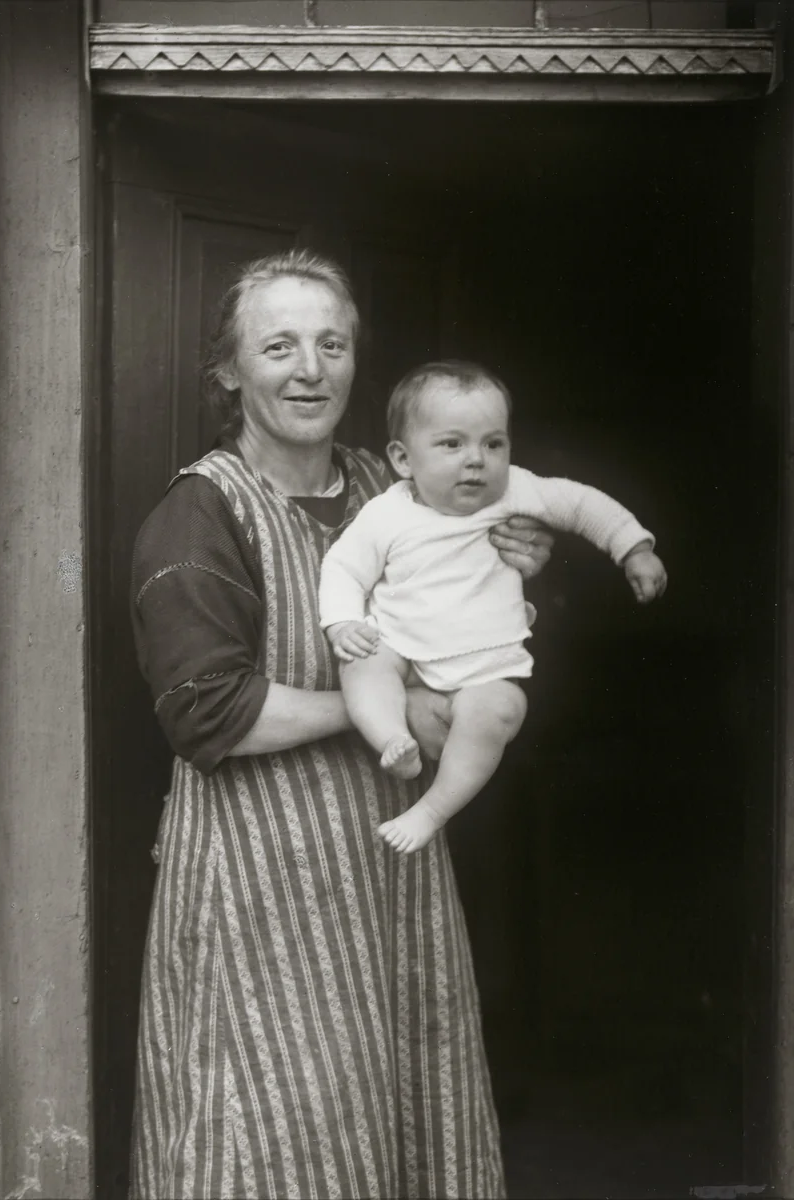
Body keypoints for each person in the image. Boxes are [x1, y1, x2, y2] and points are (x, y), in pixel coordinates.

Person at [128, 249, 553, 1200]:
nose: (308, 368)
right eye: (277, 346)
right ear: (231, 371)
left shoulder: (399, 487)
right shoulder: (200, 513)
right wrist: (392, 711)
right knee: (264, 1126)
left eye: (331, 343)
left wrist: (519, 564)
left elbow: (482, 619)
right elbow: (207, 714)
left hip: (384, 878)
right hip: (253, 883)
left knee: (395, 1109)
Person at [319, 360, 668, 855]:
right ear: (402, 458)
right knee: (363, 662)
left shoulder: (516, 491)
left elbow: (579, 503)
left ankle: (432, 810)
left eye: (493, 443)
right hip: (402, 646)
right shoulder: (386, 514)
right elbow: (344, 568)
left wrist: (633, 547)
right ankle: (392, 739)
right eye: (452, 444)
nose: (476, 459)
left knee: (501, 709)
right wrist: (342, 622)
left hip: (483, 665)